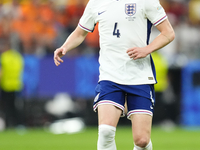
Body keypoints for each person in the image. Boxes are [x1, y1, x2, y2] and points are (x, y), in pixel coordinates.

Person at [54, 0, 175, 149]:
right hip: (110, 76)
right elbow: (80, 32)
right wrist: (64, 47)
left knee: (142, 141)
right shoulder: (96, 3)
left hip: (140, 76)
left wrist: (147, 49)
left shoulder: (146, 1)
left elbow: (168, 33)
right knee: (105, 131)